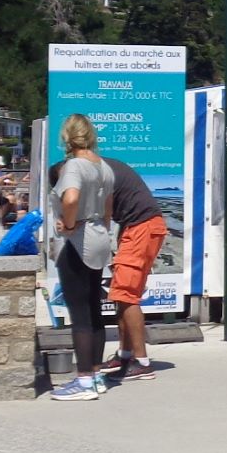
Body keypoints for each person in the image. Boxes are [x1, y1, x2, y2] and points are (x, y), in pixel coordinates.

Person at [47, 113, 116, 401]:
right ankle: (97, 373)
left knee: (79, 312)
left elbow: (71, 198)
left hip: (77, 239)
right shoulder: (104, 167)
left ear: (67, 136)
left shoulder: (74, 166)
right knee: (94, 307)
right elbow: (110, 207)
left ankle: (84, 379)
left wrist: (70, 222)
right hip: (99, 235)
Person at [104, 155, 169, 381]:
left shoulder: (97, 172)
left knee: (126, 295)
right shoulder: (102, 167)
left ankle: (142, 363)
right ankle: (125, 355)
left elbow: (104, 213)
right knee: (121, 296)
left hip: (141, 228)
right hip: (137, 227)